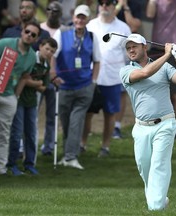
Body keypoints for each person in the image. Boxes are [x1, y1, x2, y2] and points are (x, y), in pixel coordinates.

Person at [120, 33, 176, 210]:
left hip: (165, 124)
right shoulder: (126, 71)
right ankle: (159, 200)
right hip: (141, 127)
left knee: (159, 164)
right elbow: (144, 73)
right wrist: (167, 54)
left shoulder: (165, 67)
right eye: (128, 48)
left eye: (134, 46)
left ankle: (155, 207)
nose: (131, 50)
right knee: (145, 168)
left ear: (145, 47)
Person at [53, 5, 100, 169]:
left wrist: (93, 82)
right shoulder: (62, 33)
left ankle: (70, 157)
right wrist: (54, 75)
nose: (80, 20)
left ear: (87, 20)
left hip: (84, 86)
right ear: (73, 17)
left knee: (76, 122)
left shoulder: (92, 37)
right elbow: (53, 55)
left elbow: (97, 61)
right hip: (64, 86)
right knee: (66, 123)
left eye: (84, 17)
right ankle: (69, 155)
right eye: (78, 17)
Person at [0, 21, 40, 175]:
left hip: (9, 96)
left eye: (33, 35)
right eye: (27, 32)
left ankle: (1, 168)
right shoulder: (5, 44)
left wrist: (15, 96)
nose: (29, 35)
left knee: (5, 134)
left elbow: (25, 76)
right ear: (22, 31)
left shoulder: (32, 56)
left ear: (36, 39)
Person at [86, 0, 131, 157]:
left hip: (113, 78)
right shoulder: (90, 25)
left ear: (114, 6)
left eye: (108, 3)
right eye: (101, 2)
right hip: (92, 77)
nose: (104, 6)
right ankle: (82, 144)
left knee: (110, 113)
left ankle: (105, 147)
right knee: (88, 112)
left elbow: (128, 53)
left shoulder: (123, 28)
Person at [8, 37, 58, 176]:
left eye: (52, 51)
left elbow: (43, 87)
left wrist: (33, 83)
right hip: (19, 100)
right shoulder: (30, 58)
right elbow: (22, 77)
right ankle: (11, 164)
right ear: (41, 46)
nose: (48, 53)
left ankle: (29, 164)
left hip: (32, 102)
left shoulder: (47, 65)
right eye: (47, 49)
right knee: (17, 133)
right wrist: (36, 83)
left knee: (31, 133)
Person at [146, 0, 176, 138]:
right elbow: (149, 14)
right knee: (155, 90)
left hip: (172, 50)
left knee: (174, 93)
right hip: (155, 49)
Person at [112, 0, 142, 139]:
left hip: (126, 49)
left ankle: (116, 126)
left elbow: (134, 25)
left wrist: (125, 7)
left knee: (122, 91)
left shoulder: (135, 4)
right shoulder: (109, 3)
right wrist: (118, 6)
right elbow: (110, 15)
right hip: (109, 50)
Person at [39, 1, 63, 156]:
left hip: (55, 79)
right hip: (39, 77)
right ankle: (25, 146)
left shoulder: (65, 31)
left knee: (52, 115)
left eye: (56, 11)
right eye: (50, 10)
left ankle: (48, 146)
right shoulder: (39, 29)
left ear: (60, 14)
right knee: (32, 112)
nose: (52, 13)